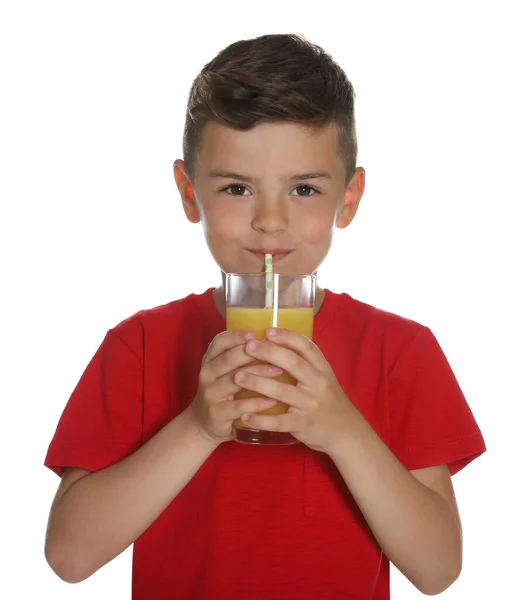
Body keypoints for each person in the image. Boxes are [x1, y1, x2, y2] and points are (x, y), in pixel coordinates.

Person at [43, 33, 486, 599]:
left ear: (347, 200)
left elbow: (439, 569)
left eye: (303, 188)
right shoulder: (141, 345)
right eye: (236, 188)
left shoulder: (401, 350)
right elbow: (69, 556)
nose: (270, 221)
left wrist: (343, 430)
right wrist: (198, 426)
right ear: (188, 193)